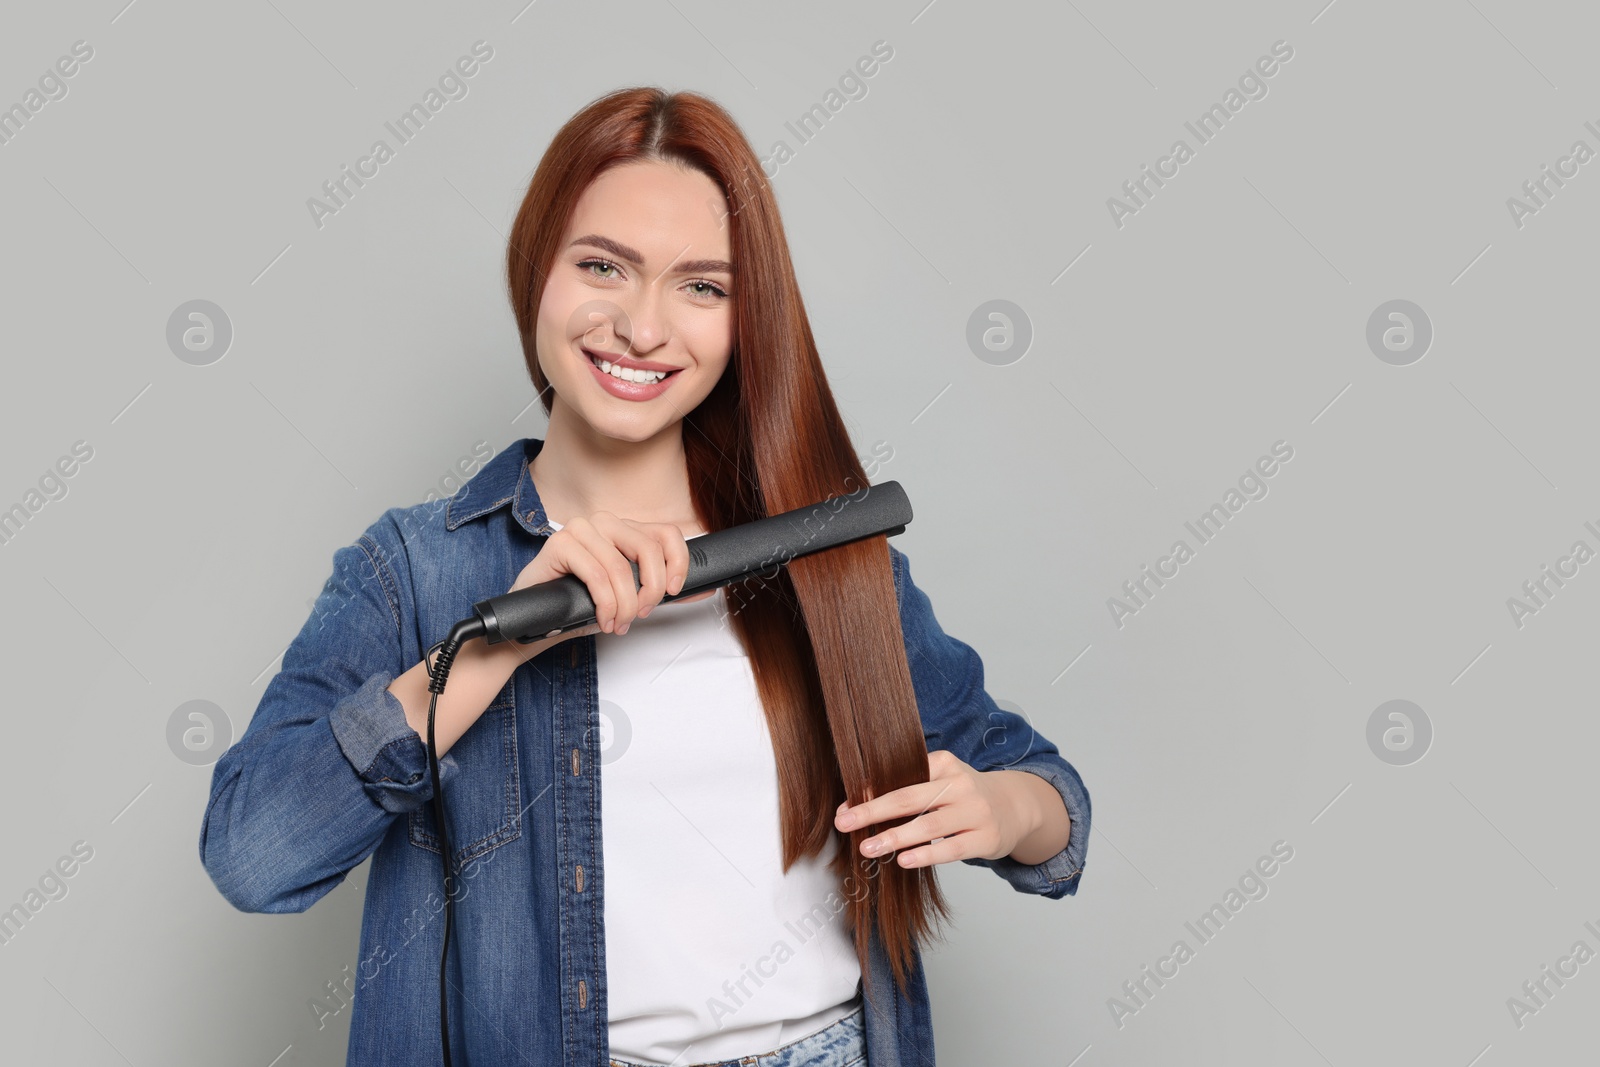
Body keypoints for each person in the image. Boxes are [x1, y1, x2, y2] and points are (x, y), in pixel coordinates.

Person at [199, 86, 1091, 1067]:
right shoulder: (416, 567)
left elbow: (1046, 794)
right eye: (601, 267)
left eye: (701, 287)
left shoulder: (823, 550)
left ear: (746, 320)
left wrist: (1008, 809)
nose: (641, 326)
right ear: (535, 269)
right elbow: (255, 854)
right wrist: (500, 645)